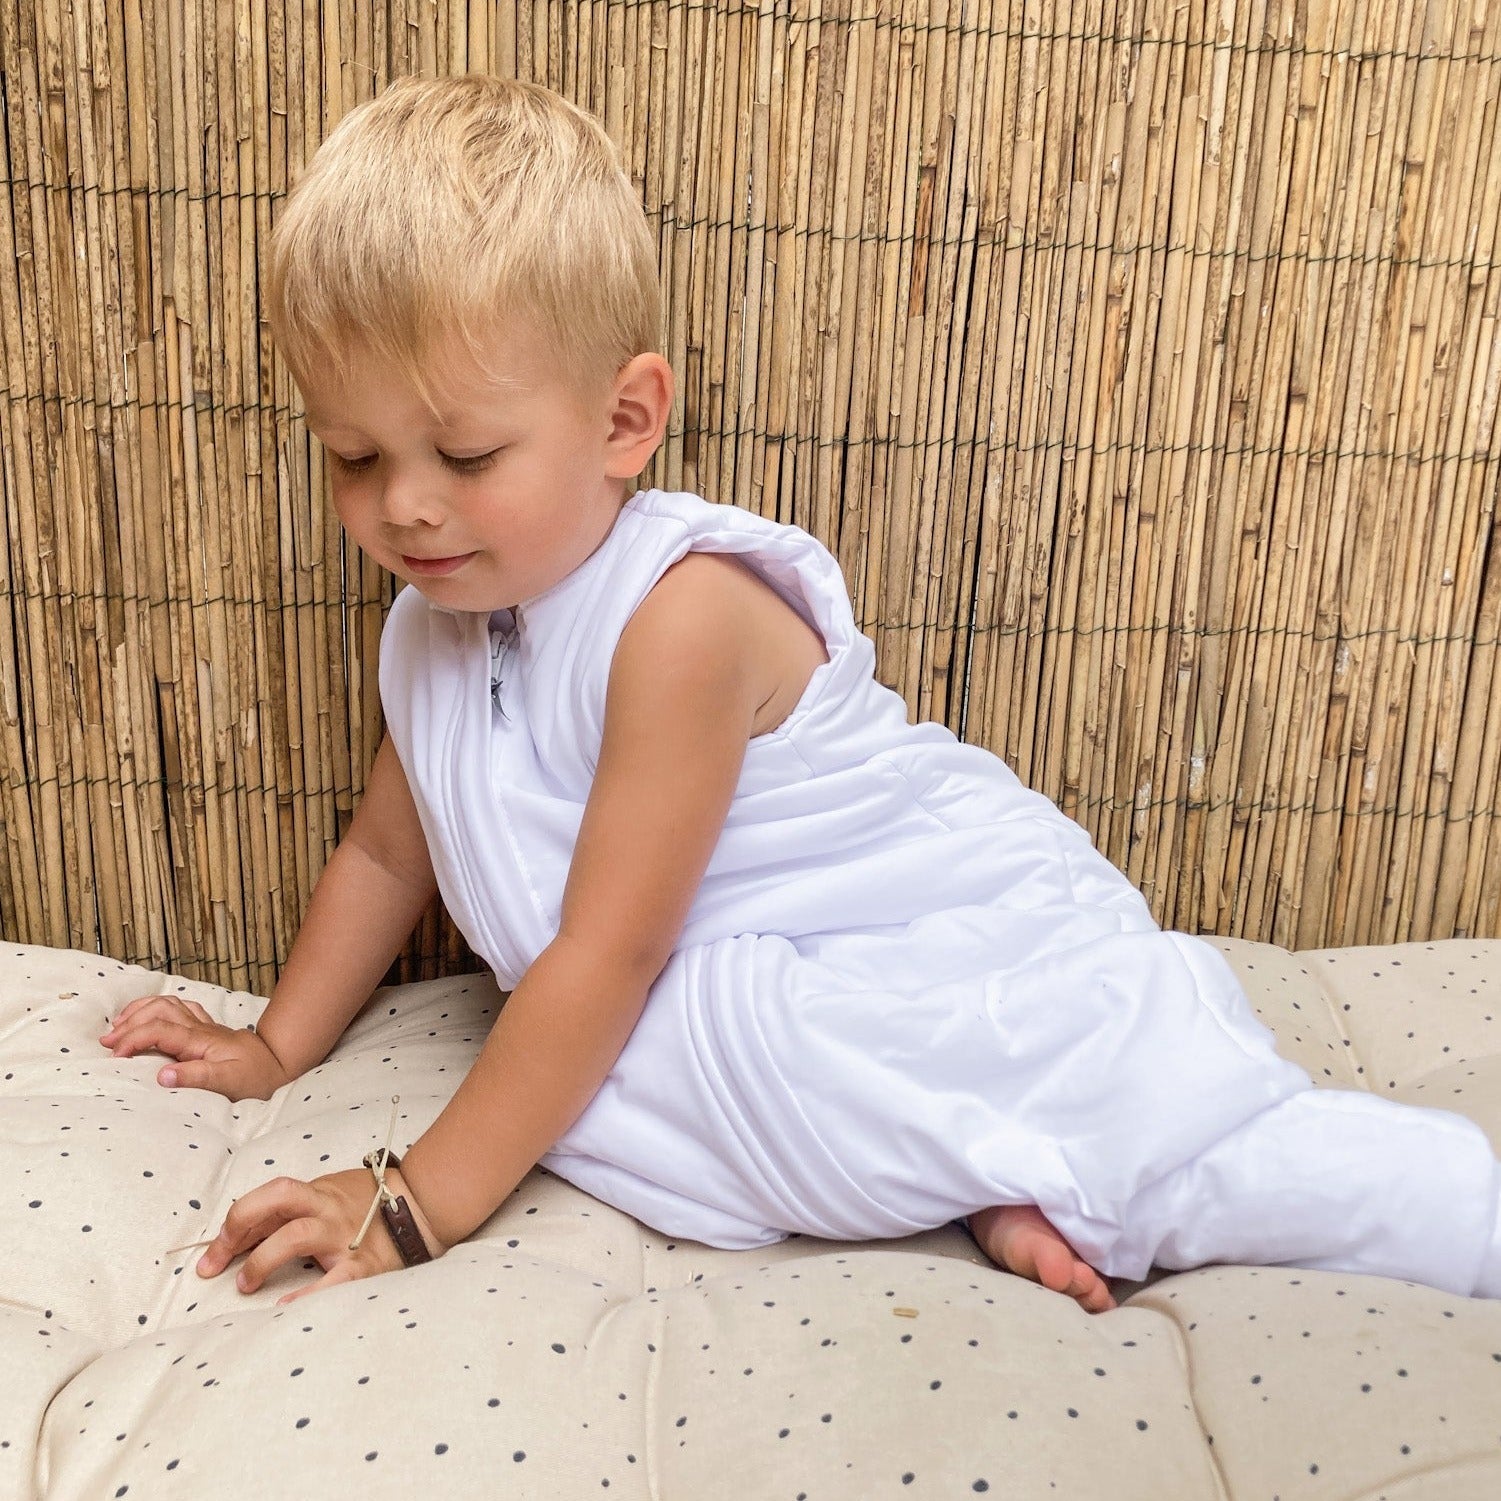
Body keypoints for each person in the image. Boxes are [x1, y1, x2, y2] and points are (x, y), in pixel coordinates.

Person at [100, 75, 1501, 1314]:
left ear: (624, 422)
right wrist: (274, 1045)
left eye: (464, 455)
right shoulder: (432, 628)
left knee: (1155, 1146)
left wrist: (416, 1202)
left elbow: (608, 954)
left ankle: (1403, 1199)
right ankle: (965, 1174)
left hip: (922, 941)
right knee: (726, 1058)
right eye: (353, 456)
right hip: (722, 974)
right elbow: (387, 852)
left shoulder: (680, 618)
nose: (404, 505)